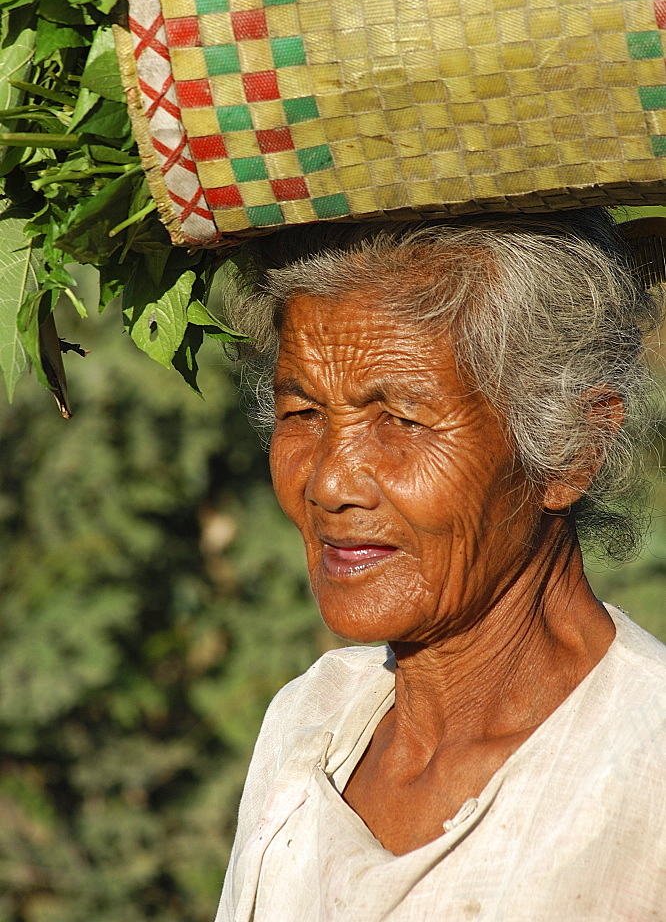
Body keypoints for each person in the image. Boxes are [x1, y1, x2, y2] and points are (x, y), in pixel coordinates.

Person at [215, 209, 666, 921]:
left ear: (574, 449)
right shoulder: (309, 725)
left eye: (401, 419)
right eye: (303, 413)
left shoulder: (646, 771)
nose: (330, 482)